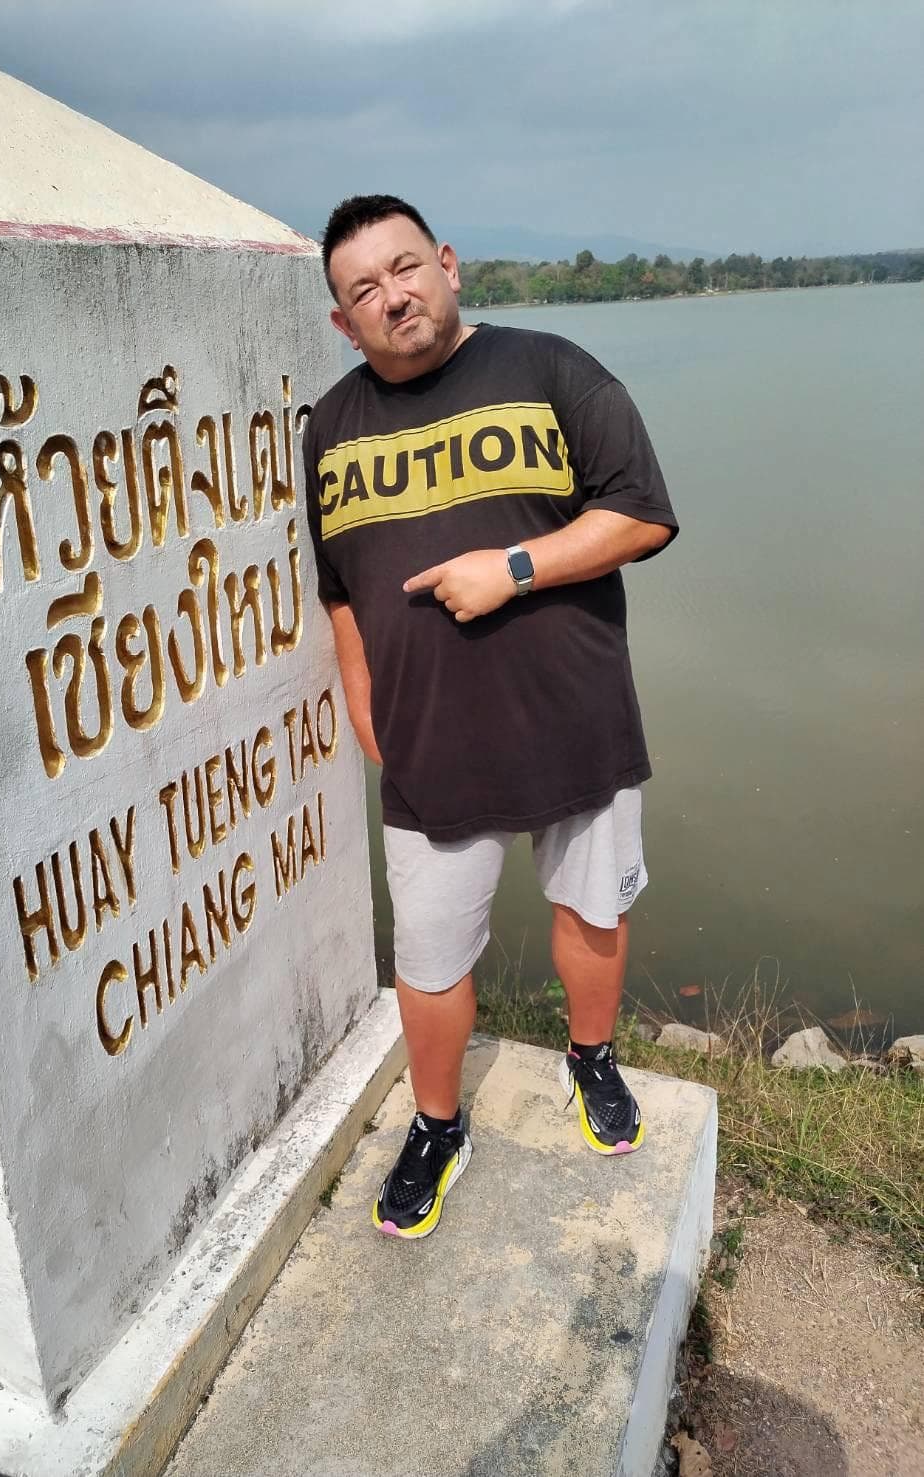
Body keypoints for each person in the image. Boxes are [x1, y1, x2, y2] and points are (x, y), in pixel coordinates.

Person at [302, 195, 678, 1241]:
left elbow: (640, 512)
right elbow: (339, 589)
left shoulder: (552, 368)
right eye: (363, 290)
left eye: (404, 267)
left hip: (576, 719)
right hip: (429, 742)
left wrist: (512, 567)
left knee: (592, 912)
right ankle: (437, 1123)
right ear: (343, 322)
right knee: (428, 958)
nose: (392, 297)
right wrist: (360, 696)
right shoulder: (329, 427)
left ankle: (591, 1058)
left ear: (448, 265)